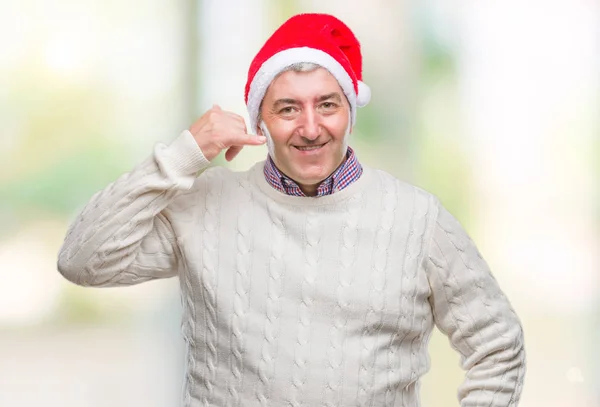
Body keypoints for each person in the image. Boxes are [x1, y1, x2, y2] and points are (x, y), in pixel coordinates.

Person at [57, 13, 526, 407]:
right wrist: (186, 153)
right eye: (287, 109)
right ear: (260, 120)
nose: (310, 127)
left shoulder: (416, 217)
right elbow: (82, 260)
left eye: (327, 105)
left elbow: (497, 345)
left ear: (349, 111)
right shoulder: (205, 205)